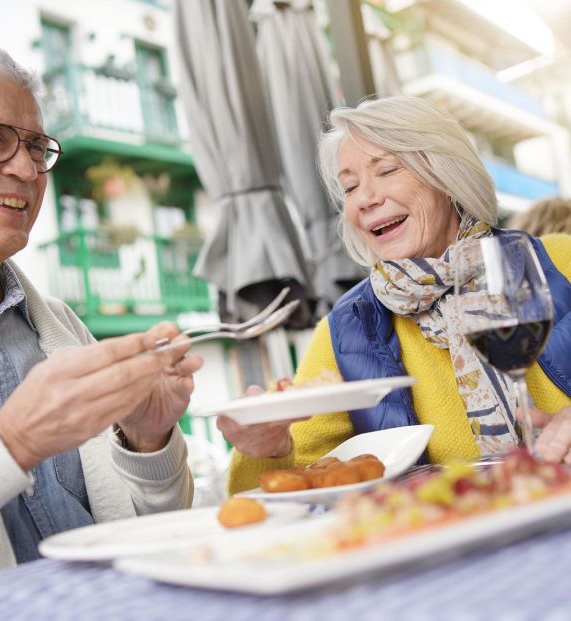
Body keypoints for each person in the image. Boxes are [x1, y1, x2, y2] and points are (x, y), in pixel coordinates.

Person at [219, 95, 571, 494]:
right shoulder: (346, 330)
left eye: (386, 170)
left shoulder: (560, 262)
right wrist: (266, 448)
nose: (365, 199)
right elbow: (286, 487)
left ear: (446, 175)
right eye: (349, 187)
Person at [0, 37, 203, 580]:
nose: (26, 169)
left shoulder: (61, 327)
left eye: (37, 147)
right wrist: (14, 440)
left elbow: (158, 529)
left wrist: (148, 439)